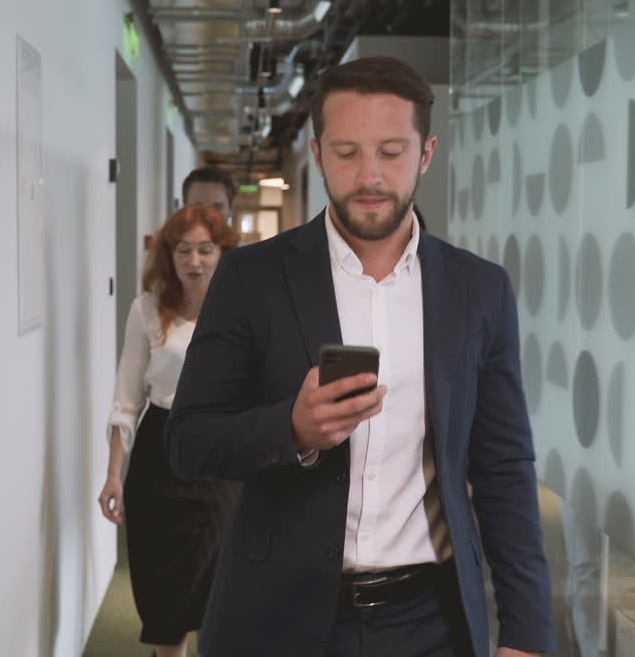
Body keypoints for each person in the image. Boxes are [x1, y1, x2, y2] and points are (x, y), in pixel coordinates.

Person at [165, 56, 553, 657]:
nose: (369, 176)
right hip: (276, 620)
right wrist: (290, 429)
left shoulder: (480, 290)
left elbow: (503, 467)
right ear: (317, 156)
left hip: (433, 622)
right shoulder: (251, 279)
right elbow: (186, 442)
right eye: (347, 153)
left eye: (391, 152)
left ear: (426, 154)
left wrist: (526, 633)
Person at [97, 204, 241, 657]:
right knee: (164, 587)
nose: (194, 261)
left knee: (219, 579)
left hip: (219, 453)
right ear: (169, 255)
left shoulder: (241, 311)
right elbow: (126, 401)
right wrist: (113, 474)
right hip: (159, 458)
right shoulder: (146, 310)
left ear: (222, 253)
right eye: (184, 250)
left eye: (205, 250)